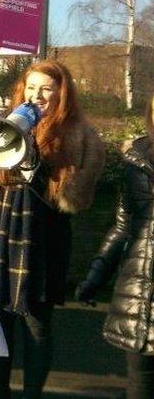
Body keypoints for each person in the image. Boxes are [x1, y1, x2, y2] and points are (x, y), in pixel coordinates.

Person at [0, 60, 104, 399]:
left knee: (36, 321)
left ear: (61, 93)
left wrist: (35, 168)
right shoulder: (11, 122)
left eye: (46, 89)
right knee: (1, 319)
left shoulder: (79, 133)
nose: (37, 95)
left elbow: (75, 199)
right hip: (6, 225)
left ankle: (32, 393)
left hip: (43, 233)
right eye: (32, 87)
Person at [75, 92, 154, 399]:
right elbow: (122, 228)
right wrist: (94, 277)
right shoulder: (136, 161)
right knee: (139, 387)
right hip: (138, 297)